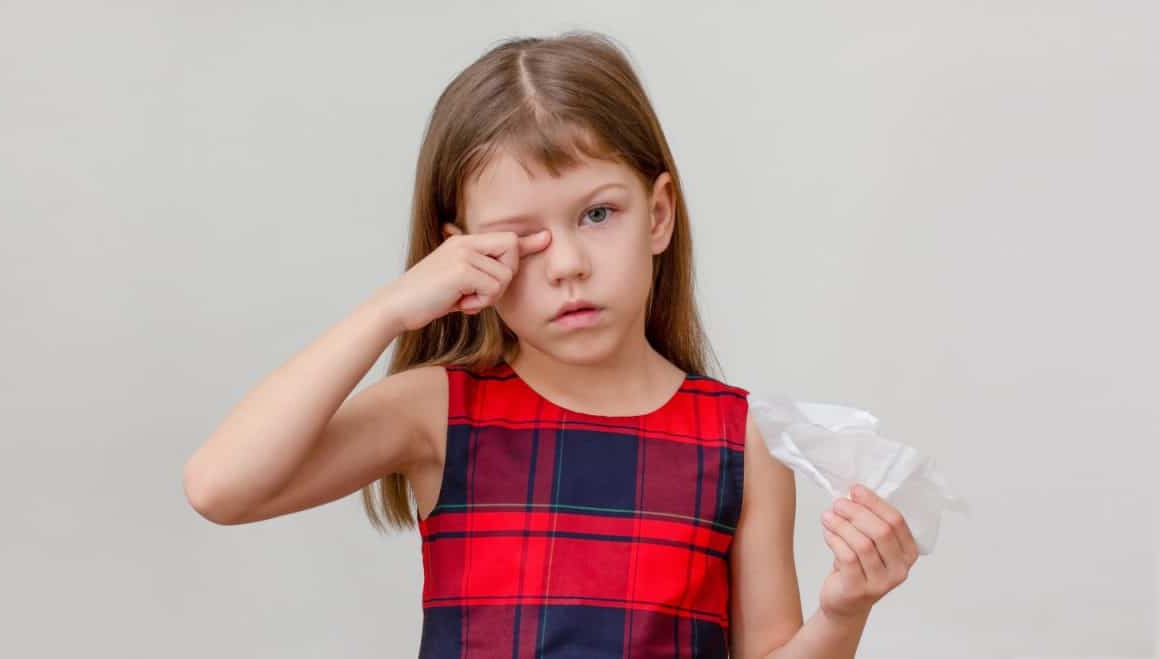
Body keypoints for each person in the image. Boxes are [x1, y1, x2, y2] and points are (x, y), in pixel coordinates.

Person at [182, 30, 919, 659]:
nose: (566, 263)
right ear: (460, 253)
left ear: (658, 214)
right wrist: (388, 310)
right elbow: (220, 486)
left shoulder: (742, 441)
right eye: (520, 238)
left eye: (598, 214)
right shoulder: (438, 410)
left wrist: (844, 610)